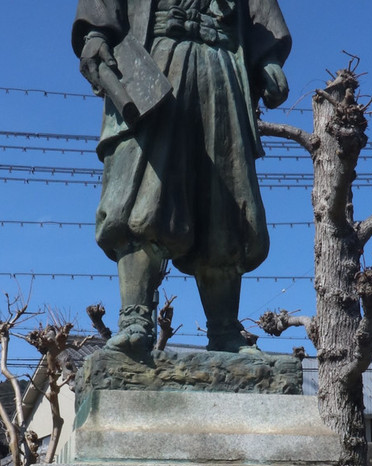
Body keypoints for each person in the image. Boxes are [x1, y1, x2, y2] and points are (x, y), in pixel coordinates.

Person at [73, 0, 291, 353]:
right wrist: (95, 34)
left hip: (222, 64)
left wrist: (266, 57)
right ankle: (135, 316)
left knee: (227, 200)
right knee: (143, 188)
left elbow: (258, 14)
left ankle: (225, 330)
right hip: (153, 63)